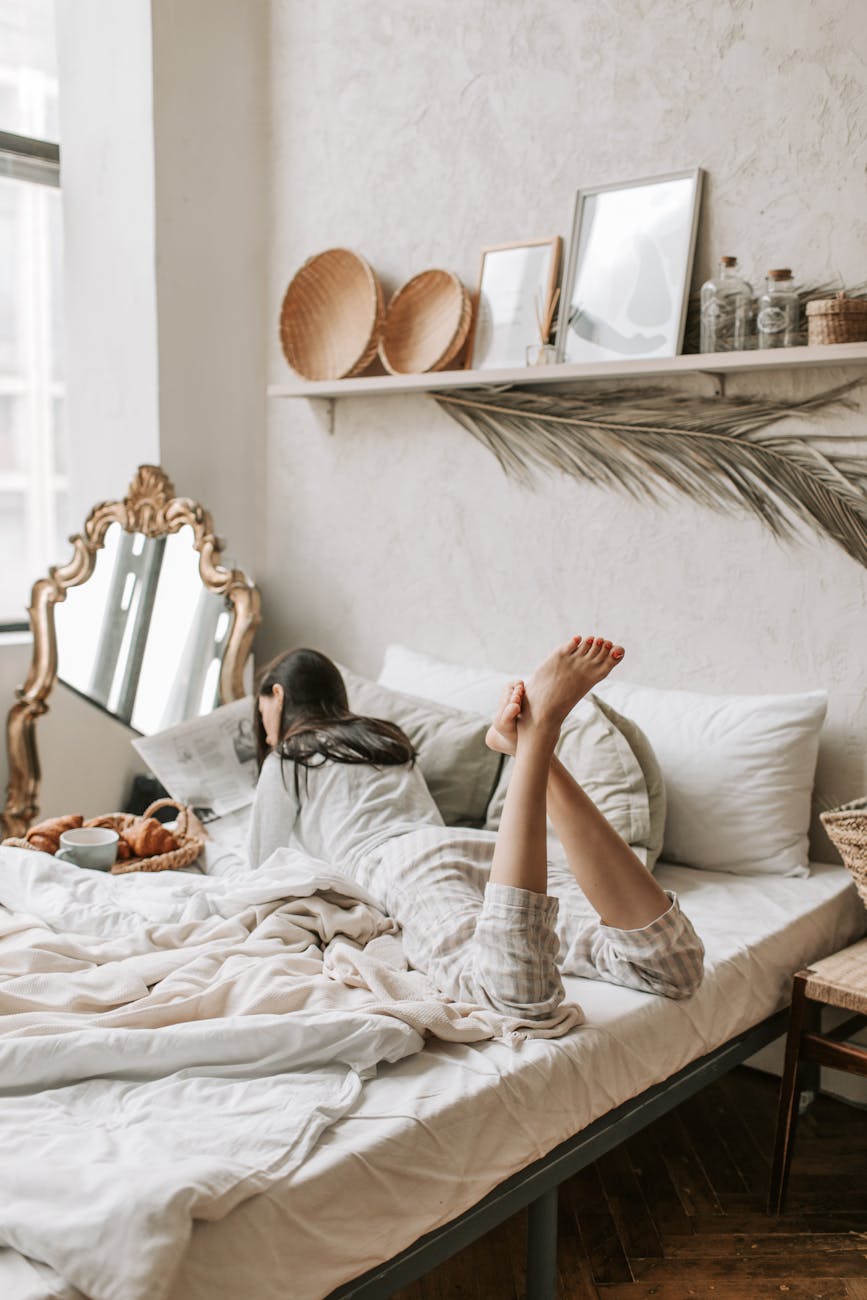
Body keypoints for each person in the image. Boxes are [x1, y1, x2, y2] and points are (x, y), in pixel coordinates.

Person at [248, 636, 704, 1023]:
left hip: (396, 862)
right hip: (474, 849)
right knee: (670, 965)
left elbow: (261, 866)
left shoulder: (288, 756)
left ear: (279, 697)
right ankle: (528, 747)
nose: (264, 721)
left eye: (262, 706)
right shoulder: (384, 739)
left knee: (511, 992)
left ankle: (537, 736)